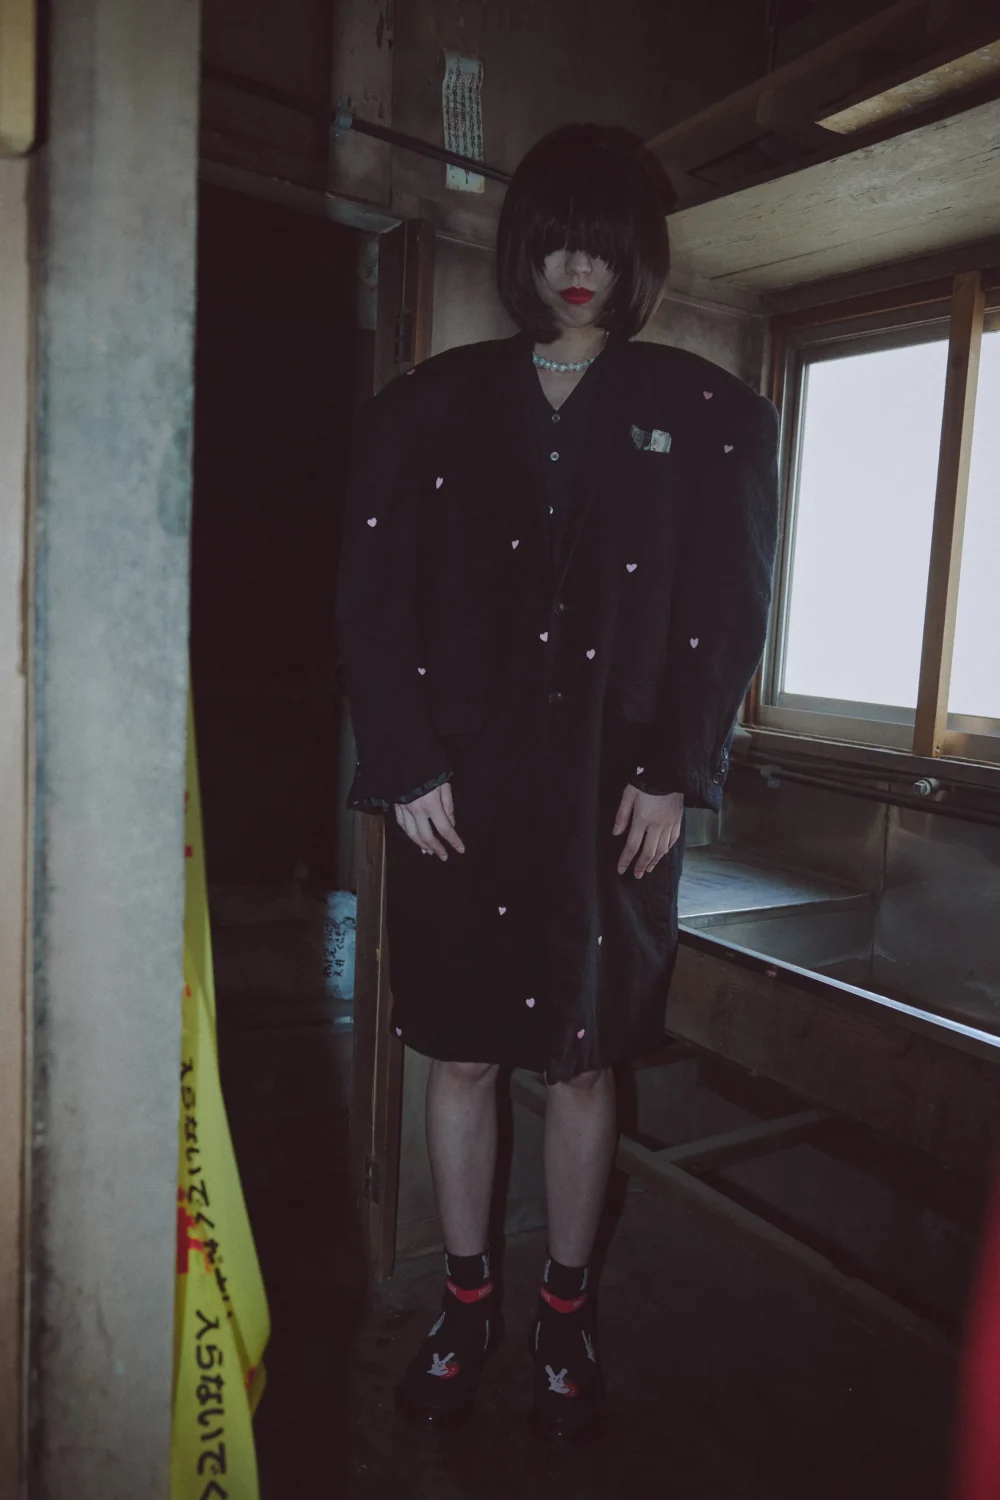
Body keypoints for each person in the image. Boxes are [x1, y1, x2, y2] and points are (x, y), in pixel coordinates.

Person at [336, 122, 779, 1438]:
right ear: (524, 250)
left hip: (614, 799)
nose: (577, 268)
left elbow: (728, 607)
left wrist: (676, 770)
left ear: (637, 260)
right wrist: (404, 761)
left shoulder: (708, 414)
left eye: (604, 245)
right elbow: (371, 594)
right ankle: (466, 1301)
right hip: (458, 798)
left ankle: (567, 1314)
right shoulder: (428, 403)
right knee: (461, 1056)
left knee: (587, 1064)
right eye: (556, 242)